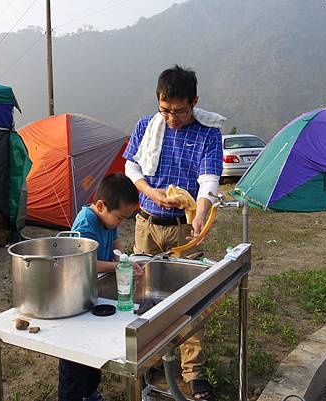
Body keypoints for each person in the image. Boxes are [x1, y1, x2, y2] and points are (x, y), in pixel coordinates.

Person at [123, 65, 224, 400]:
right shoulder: (146, 125)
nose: (171, 118)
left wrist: (202, 211)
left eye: (179, 111)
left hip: (182, 230)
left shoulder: (208, 133)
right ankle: (148, 361)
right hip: (146, 225)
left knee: (189, 300)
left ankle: (192, 372)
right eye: (164, 109)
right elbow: (131, 165)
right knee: (144, 298)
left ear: (193, 102)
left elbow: (208, 178)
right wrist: (149, 193)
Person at [58, 173, 141, 401]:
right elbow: (85, 262)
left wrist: (125, 260)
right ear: (102, 206)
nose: (120, 223)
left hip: (94, 294)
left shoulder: (108, 219)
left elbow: (115, 244)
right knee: (74, 357)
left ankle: (90, 392)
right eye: (120, 218)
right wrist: (117, 267)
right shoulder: (87, 222)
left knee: (94, 351)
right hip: (76, 297)